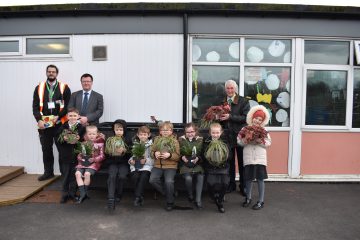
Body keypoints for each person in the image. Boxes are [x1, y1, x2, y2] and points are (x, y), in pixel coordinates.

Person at [32, 64, 71, 181]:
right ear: (46, 73)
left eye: (53, 72)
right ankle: (48, 172)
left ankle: (64, 174)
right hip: (45, 125)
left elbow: (68, 106)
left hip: (59, 124)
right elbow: (34, 106)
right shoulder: (39, 87)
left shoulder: (64, 87)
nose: (51, 73)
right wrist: (39, 120)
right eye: (49, 71)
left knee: (62, 150)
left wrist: (58, 116)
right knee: (46, 150)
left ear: (57, 73)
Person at [237, 105, 271, 210]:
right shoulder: (245, 129)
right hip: (248, 158)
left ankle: (261, 201)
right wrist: (245, 140)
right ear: (252, 118)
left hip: (260, 159)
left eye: (260, 119)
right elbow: (239, 141)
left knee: (260, 179)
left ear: (262, 121)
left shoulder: (264, 130)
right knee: (248, 179)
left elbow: (268, 143)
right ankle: (248, 198)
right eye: (256, 118)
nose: (257, 121)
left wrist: (260, 141)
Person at [219, 79, 250, 195]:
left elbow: (246, 118)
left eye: (232, 88)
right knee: (230, 163)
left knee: (242, 163)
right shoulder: (222, 102)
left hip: (240, 136)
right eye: (228, 88)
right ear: (225, 89)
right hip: (227, 136)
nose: (230, 90)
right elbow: (219, 118)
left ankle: (244, 186)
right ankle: (231, 185)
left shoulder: (243, 101)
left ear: (235, 89)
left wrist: (230, 117)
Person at [56, 108, 86, 203]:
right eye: (70, 115)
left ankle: (72, 193)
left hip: (76, 156)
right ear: (67, 116)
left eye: (74, 116)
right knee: (65, 175)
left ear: (78, 116)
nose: (72, 117)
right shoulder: (63, 127)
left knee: (74, 176)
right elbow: (58, 140)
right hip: (65, 155)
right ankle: (64, 194)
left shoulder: (81, 128)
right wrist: (63, 138)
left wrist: (79, 138)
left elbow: (84, 140)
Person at [149, 121, 180, 211]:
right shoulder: (157, 140)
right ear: (160, 131)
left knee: (169, 181)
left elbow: (177, 156)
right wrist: (155, 154)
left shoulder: (174, 141)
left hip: (171, 166)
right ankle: (169, 193)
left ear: (171, 131)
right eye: (163, 130)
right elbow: (151, 153)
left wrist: (169, 155)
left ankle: (170, 202)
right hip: (158, 165)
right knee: (152, 180)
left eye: (167, 130)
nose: (165, 131)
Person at [202, 123, 231, 213]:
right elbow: (203, 154)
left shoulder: (225, 142)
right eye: (213, 133)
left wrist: (222, 158)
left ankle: (220, 201)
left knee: (225, 184)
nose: (215, 135)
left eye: (217, 133)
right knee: (210, 184)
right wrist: (210, 158)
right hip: (211, 167)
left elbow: (230, 156)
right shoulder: (206, 142)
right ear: (210, 133)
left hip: (223, 167)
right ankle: (214, 198)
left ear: (221, 132)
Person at [105, 119, 132, 211]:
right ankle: (111, 198)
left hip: (124, 163)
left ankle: (119, 193)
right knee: (112, 176)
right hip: (112, 162)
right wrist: (110, 152)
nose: (118, 131)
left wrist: (125, 151)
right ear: (114, 130)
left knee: (122, 176)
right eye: (117, 129)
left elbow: (132, 153)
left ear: (124, 130)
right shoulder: (110, 139)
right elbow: (106, 153)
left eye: (121, 129)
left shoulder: (127, 139)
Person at [75, 125, 105, 203]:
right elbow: (79, 154)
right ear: (86, 134)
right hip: (82, 163)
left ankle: (83, 195)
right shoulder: (83, 143)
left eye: (93, 134)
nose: (91, 136)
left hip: (93, 164)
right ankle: (83, 194)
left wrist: (94, 159)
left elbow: (102, 156)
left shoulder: (100, 144)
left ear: (97, 134)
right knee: (77, 174)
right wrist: (80, 158)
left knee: (87, 174)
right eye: (90, 134)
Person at [178, 123, 204, 209]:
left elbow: (203, 153)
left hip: (197, 163)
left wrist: (198, 158)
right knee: (188, 178)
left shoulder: (200, 139)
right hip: (185, 164)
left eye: (192, 131)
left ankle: (198, 200)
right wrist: (182, 157)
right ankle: (190, 195)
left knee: (200, 177)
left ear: (196, 131)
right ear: (185, 132)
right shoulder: (180, 140)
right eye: (188, 132)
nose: (190, 134)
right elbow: (177, 153)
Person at [128, 126, 154, 207]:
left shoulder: (151, 145)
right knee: (134, 176)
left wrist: (146, 160)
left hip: (147, 166)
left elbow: (153, 159)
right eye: (141, 134)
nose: (143, 136)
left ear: (148, 135)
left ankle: (137, 197)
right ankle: (140, 196)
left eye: (145, 134)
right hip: (136, 165)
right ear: (138, 135)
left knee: (143, 176)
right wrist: (130, 161)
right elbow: (132, 156)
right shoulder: (135, 144)